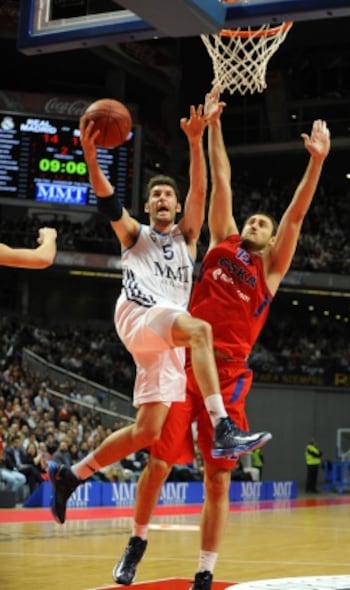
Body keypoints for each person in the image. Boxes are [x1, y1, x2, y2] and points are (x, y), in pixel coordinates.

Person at [111, 86, 331, 588]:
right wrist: (212, 126)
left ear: (271, 239)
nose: (255, 221)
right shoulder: (222, 239)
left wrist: (315, 163)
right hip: (181, 362)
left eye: (263, 223)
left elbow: (296, 214)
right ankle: (137, 540)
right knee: (159, 463)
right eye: (252, 218)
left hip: (228, 375)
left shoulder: (270, 268)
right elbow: (222, 177)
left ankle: (205, 572)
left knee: (219, 477)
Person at [48, 99, 270, 525]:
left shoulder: (188, 239)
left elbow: (201, 191)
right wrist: (91, 156)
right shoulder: (135, 234)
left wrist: (194, 141)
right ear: (149, 207)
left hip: (165, 339)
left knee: (148, 432)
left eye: (169, 194)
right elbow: (109, 201)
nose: (163, 198)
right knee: (201, 330)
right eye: (156, 195)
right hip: (139, 315)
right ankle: (224, 426)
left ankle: (72, 475)